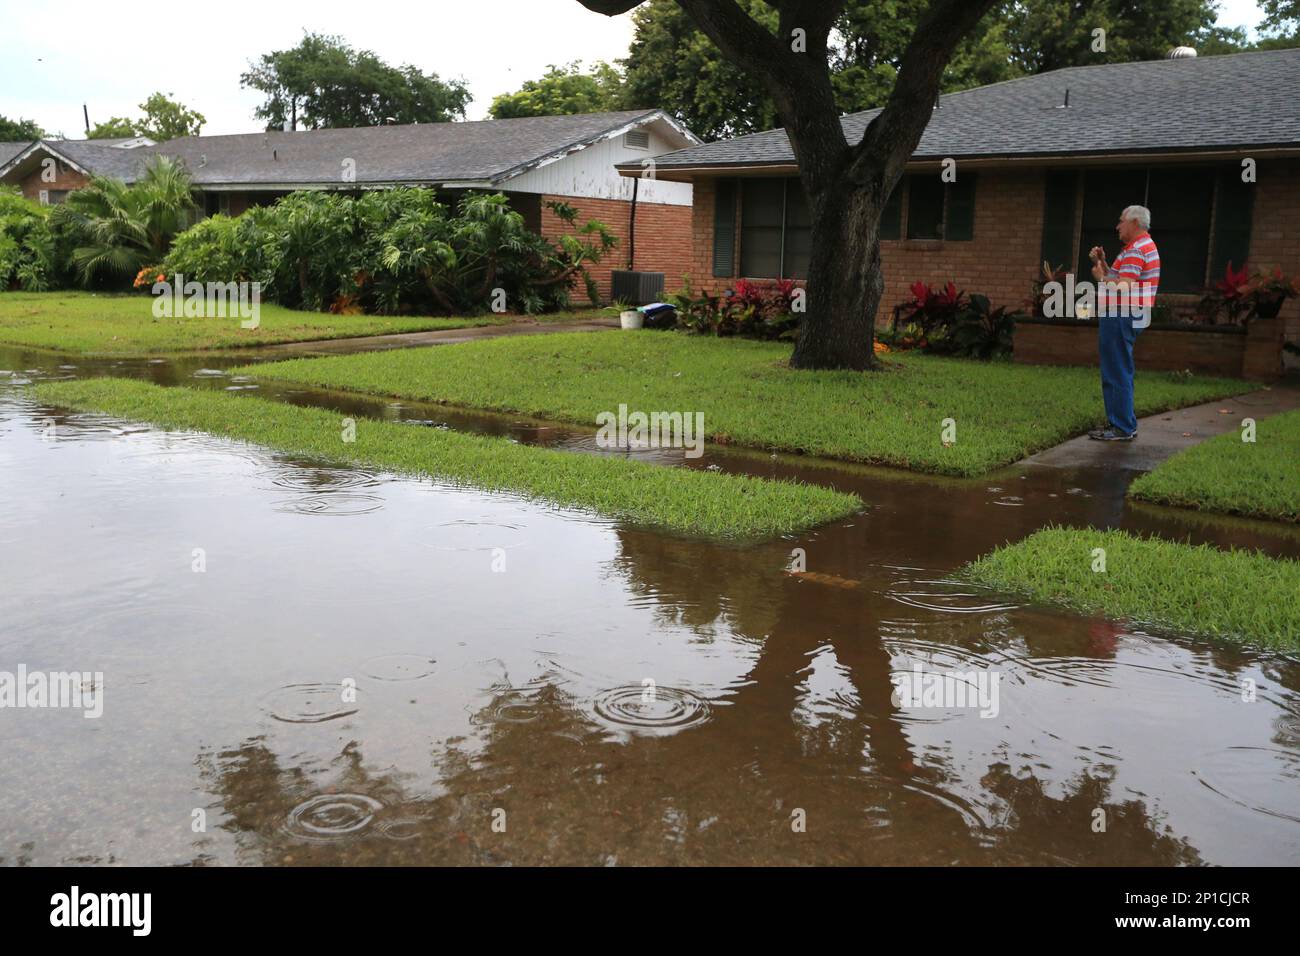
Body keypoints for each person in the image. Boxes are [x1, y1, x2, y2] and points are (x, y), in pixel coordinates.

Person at [1087, 205, 1160, 441]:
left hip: (1121, 314)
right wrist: (1104, 264)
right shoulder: (1139, 248)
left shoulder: (1136, 249)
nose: (1117, 226)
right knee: (1119, 367)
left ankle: (1122, 427)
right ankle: (1122, 423)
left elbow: (1121, 288)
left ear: (1134, 223)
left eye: (1121, 221)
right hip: (1127, 313)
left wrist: (1099, 277)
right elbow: (1121, 279)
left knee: (1116, 369)